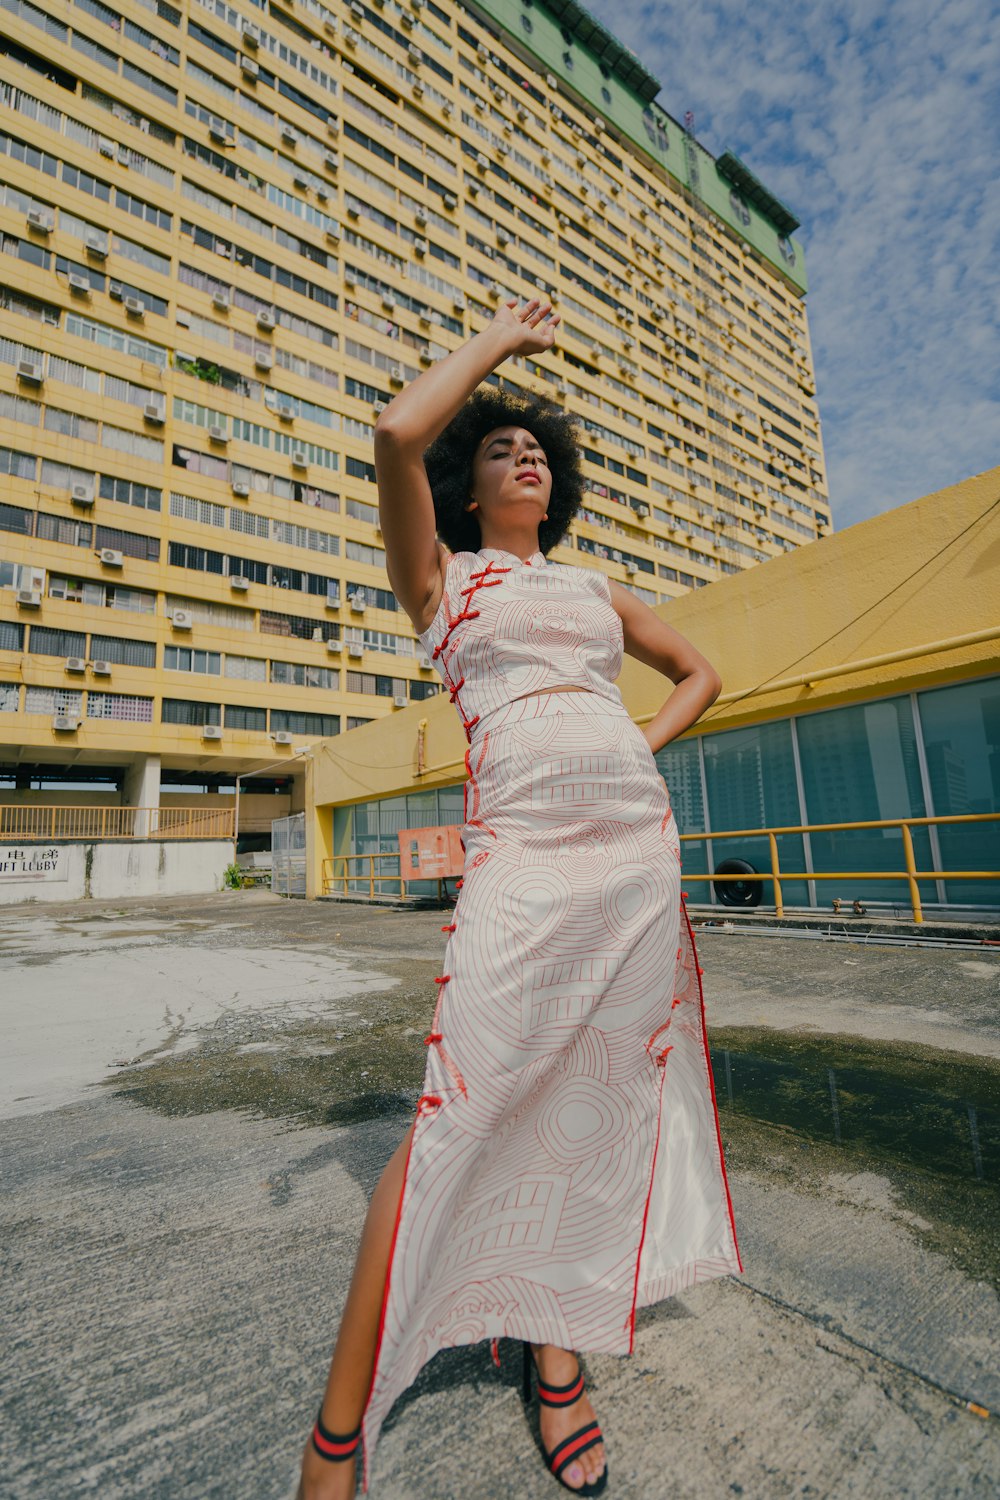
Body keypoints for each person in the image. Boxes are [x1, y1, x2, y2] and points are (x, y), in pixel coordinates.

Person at [297, 296, 743, 1499]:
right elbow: (396, 433)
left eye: (538, 447)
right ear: (469, 488)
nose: (525, 454)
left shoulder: (597, 589)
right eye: (501, 447)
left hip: (632, 858)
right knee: (463, 1105)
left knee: (596, 1094)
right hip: (524, 853)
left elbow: (702, 672)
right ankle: (338, 1435)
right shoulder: (442, 581)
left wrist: (633, 742)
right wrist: (497, 346)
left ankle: (557, 1357)